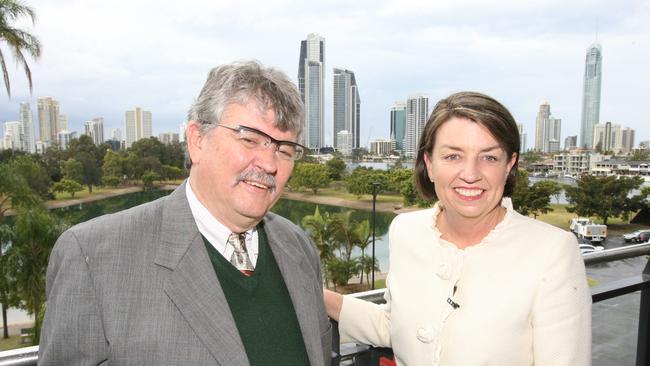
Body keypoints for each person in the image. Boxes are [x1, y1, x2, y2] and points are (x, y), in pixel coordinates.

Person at [39, 61, 331, 366]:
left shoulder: (299, 248)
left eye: (284, 150)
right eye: (249, 139)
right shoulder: (94, 258)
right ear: (197, 140)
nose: (269, 164)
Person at [324, 91, 591, 365]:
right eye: (453, 156)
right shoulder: (406, 230)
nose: (471, 174)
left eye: (489, 158)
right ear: (429, 164)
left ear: (509, 165)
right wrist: (308, 292)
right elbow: (396, 326)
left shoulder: (551, 251)